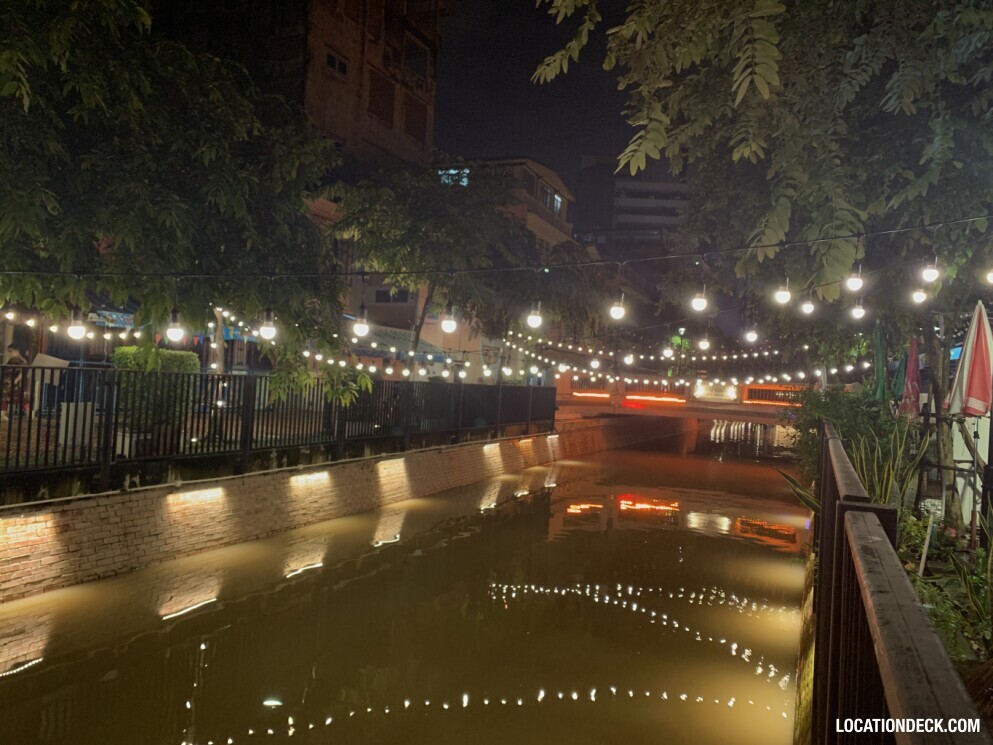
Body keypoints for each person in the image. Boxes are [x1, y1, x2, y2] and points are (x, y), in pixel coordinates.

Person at [3, 344, 27, 418]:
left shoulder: (20, 361)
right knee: (5, 398)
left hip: (13, 383)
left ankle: (28, 413)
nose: (9, 353)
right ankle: (2, 414)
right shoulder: (13, 360)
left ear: (17, 351)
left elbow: (22, 372)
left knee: (20, 398)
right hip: (8, 382)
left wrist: (16, 380)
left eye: (11, 351)